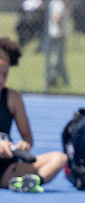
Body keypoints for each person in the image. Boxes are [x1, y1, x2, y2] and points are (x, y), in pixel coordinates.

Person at [0, 38, 67, 192]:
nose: (1, 80)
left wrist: (24, 145)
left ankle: (31, 182)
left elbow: (28, 138)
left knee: (60, 158)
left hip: (7, 169)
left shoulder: (13, 98)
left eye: (5, 75)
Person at [45, 0, 70, 88]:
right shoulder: (60, 3)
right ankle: (52, 77)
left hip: (51, 32)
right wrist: (61, 31)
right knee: (58, 58)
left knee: (58, 57)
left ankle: (65, 81)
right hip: (58, 34)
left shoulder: (52, 2)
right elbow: (57, 17)